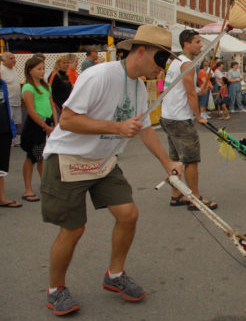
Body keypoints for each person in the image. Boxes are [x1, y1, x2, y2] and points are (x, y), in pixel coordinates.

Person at [41, 24, 182, 316]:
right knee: (74, 229)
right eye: (160, 59)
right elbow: (67, 121)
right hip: (68, 159)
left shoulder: (138, 86)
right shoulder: (100, 75)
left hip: (103, 162)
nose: (163, 67)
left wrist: (167, 163)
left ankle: (114, 275)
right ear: (140, 51)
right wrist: (116, 127)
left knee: (129, 214)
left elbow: (144, 129)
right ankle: (56, 290)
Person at [161, 29, 218, 211]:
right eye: (198, 42)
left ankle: (176, 195)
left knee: (175, 158)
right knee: (191, 159)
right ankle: (195, 198)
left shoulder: (176, 61)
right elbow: (190, 93)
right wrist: (198, 116)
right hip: (179, 118)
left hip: (168, 115)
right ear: (187, 44)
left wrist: (200, 91)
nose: (201, 45)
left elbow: (187, 89)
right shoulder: (187, 63)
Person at [21, 56, 59, 203]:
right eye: (39, 69)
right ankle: (28, 188)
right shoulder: (28, 87)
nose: (42, 71)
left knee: (42, 157)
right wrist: (45, 126)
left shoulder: (46, 86)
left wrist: (55, 124)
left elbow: (52, 105)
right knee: (32, 157)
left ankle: (46, 185)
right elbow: (31, 110)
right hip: (35, 126)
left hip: (48, 124)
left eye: (43, 68)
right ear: (30, 71)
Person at [0, 66, 21, 208]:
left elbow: (5, 107)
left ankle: (2, 197)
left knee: (1, 168)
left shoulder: (2, 84)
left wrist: (11, 128)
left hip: (4, 130)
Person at [1, 52, 22, 146]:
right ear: (4, 60)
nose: (14, 60)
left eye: (14, 58)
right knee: (9, 121)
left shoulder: (14, 69)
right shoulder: (1, 70)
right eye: (11, 58)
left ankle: (15, 139)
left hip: (16, 100)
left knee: (17, 121)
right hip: (8, 101)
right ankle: (10, 139)